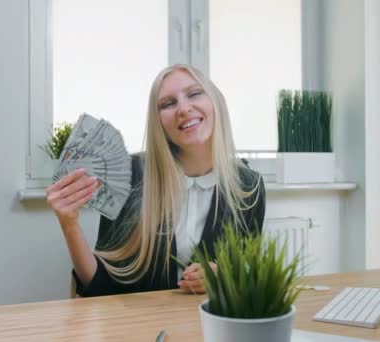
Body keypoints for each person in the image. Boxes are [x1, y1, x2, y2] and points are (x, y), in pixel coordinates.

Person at [46, 64, 266, 297]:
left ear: (215, 102)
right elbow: (100, 286)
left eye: (194, 93)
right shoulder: (131, 175)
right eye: (168, 104)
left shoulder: (249, 186)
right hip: (141, 325)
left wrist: (224, 277)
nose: (183, 108)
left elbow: (246, 278)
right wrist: (69, 225)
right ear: (158, 120)